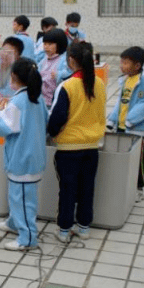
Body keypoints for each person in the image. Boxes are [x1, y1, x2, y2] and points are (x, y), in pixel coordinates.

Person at [47, 43, 106, 243]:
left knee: (68, 189)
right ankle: (84, 227)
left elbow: (56, 118)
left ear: (71, 60)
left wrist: (52, 133)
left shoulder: (67, 86)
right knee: (87, 187)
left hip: (69, 148)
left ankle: (64, 229)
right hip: (92, 146)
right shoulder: (99, 83)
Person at [0, 59, 48, 251]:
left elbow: (1, 128)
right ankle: (14, 222)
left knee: (23, 200)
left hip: (22, 160)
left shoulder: (17, 102)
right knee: (18, 196)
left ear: (14, 77)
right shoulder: (37, 98)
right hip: (32, 158)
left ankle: (27, 238)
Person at [106, 46, 144, 201]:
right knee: (125, 159)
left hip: (138, 130)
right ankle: (125, 186)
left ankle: (139, 188)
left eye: (125, 63)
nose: (122, 66)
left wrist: (131, 119)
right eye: (121, 62)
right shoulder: (125, 80)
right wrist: (112, 120)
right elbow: (119, 103)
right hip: (123, 128)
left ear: (137, 66)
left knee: (139, 161)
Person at [38, 28, 68, 109]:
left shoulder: (63, 59)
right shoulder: (44, 59)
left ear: (59, 44)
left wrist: (59, 74)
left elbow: (69, 73)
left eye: (50, 44)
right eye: (45, 44)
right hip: (42, 100)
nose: (46, 47)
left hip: (55, 101)